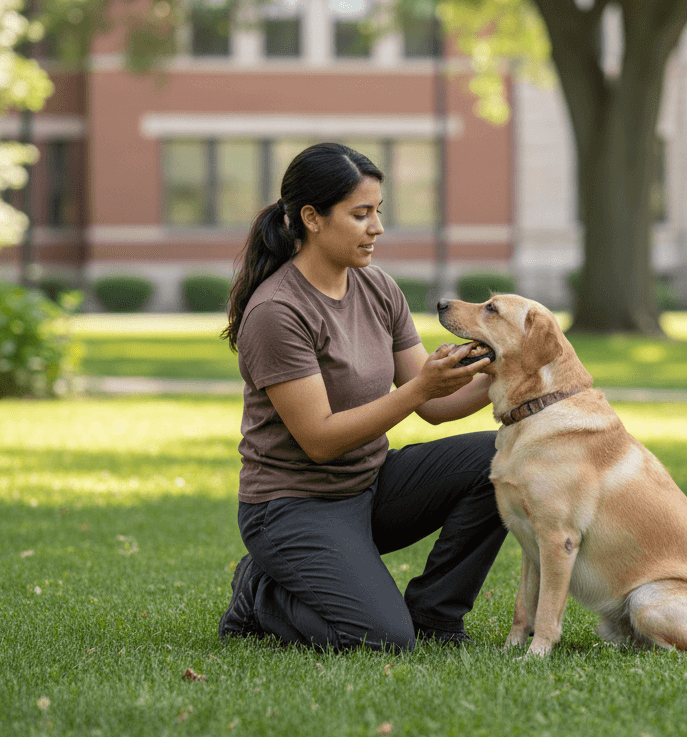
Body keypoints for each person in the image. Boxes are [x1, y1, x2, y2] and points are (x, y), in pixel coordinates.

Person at [216, 142, 506, 652]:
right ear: (312, 218)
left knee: (501, 459)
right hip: (292, 505)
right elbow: (320, 441)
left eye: (378, 212)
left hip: (369, 486)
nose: (377, 227)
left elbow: (435, 407)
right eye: (360, 214)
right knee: (381, 639)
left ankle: (436, 614)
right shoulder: (278, 312)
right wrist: (420, 388)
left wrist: (516, 372)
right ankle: (258, 590)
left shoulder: (377, 288)